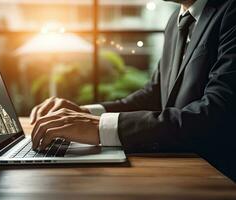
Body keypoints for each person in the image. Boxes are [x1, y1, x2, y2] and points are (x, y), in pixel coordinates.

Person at [29, 0, 236, 181]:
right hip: (180, 170)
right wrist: (85, 113)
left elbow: (214, 115)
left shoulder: (230, 11)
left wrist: (102, 127)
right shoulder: (176, 20)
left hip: (220, 177)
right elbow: (153, 96)